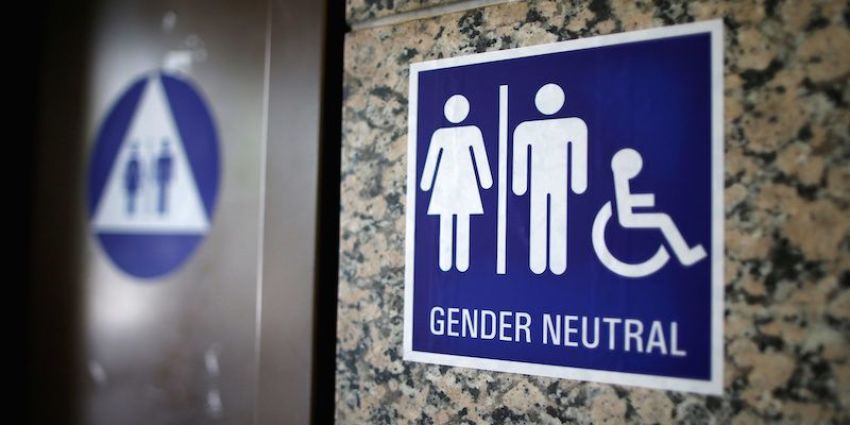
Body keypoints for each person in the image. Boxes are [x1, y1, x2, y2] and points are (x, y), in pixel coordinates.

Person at [512, 83, 587, 275]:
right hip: (539, 182)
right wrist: (519, 184)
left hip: (558, 181)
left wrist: (579, 183)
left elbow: (578, 156)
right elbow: (520, 159)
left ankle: (557, 263)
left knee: (557, 219)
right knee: (538, 217)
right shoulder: (526, 129)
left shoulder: (573, 126)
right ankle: (538, 262)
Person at [420, 94, 493, 272]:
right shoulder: (440, 135)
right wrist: (426, 182)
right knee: (447, 219)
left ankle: (461, 261)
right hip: (446, 185)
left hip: (464, 184)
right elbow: (431, 160)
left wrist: (485, 181)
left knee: (462, 221)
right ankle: (447, 262)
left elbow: (480, 158)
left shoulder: (473, 132)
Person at [611, 148, 706, 266]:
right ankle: (685, 255)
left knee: (663, 219)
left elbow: (630, 200)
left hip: (629, 215)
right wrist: (646, 200)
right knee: (663, 220)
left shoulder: (622, 177)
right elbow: (625, 203)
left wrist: (646, 200)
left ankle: (686, 254)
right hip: (627, 218)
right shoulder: (620, 177)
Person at [156, 139, 174, 215]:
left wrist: (171, 176)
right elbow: (157, 168)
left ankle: (165, 209)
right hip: (161, 177)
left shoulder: (169, 158)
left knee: (166, 194)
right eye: (164, 146)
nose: (165, 148)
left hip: (166, 177)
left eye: (166, 146)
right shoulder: (160, 157)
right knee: (161, 194)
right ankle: (160, 209)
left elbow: (171, 168)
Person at [124, 143, 141, 216]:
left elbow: (139, 173)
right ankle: (129, 210)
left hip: (134, 182)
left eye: (135, 151)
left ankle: (132, 210)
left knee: (133, 196)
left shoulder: (137, 162)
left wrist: (139, 181)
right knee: (130, 196)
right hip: (130, 181)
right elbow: (126, 173)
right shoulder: (129, 162)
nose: (134, 153)